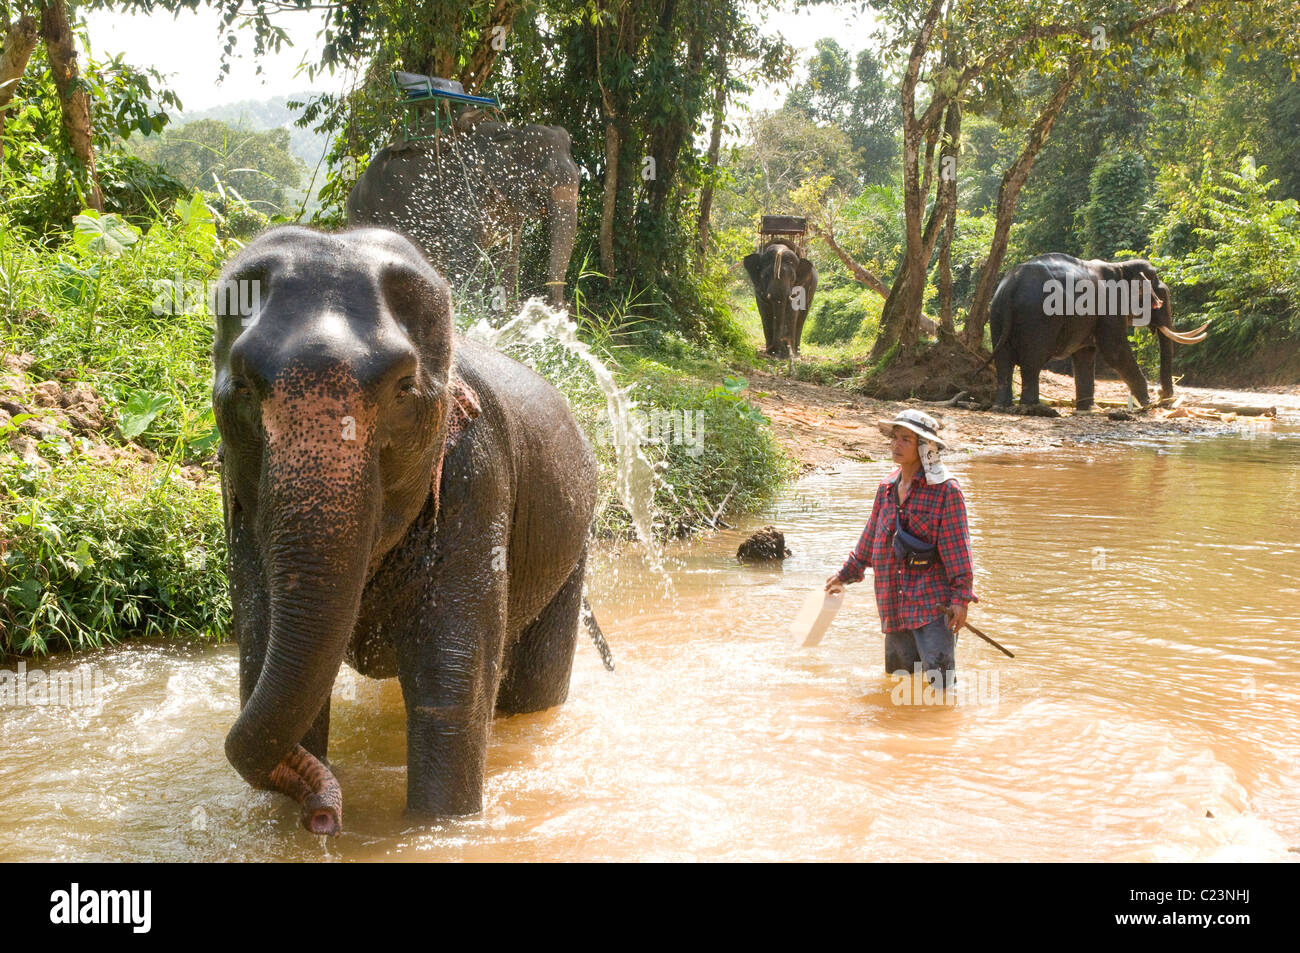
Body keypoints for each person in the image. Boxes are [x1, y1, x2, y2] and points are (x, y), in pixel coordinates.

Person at [825, 409, 978, 691]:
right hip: (893, 605)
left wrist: (961, 599)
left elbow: (958, 550)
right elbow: (869, 541)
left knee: (941, 687)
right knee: (898, 686)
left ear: (925, 446)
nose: (896, 445)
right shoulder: (886, 488)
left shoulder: (946, 491)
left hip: (932, 608)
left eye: (905, 439)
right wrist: (844, 575)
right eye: (894, 438)